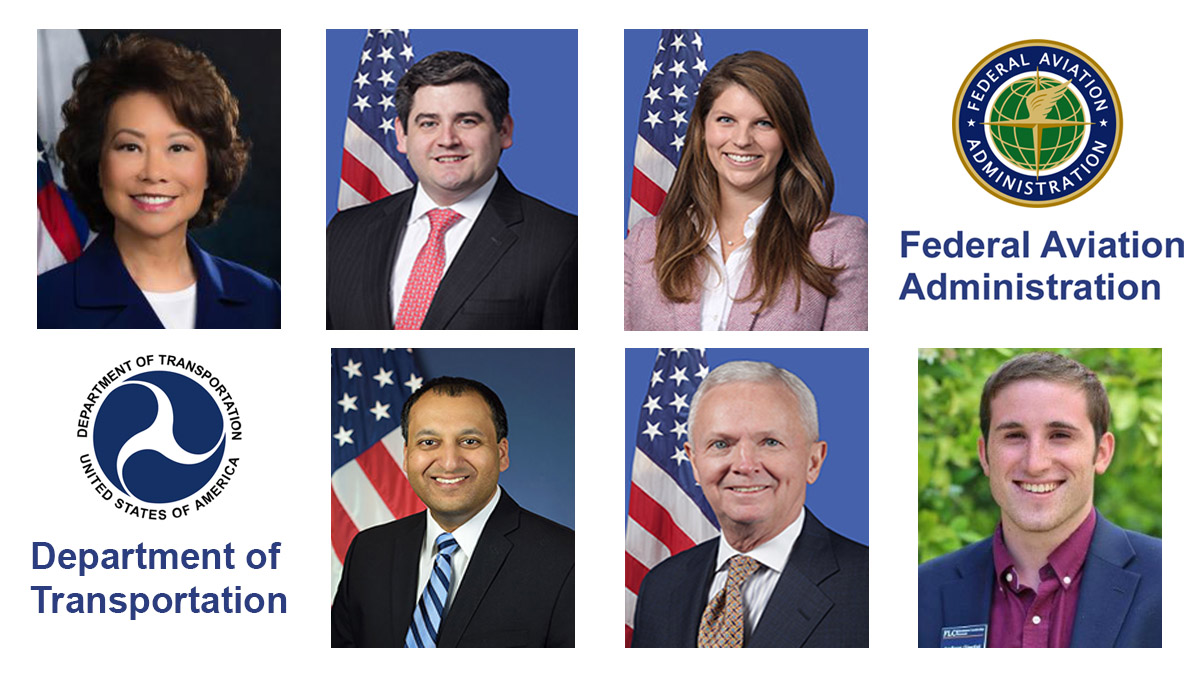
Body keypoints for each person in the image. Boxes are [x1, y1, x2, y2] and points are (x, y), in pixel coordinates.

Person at [918, 352, 1161, 648]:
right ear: (984, 455)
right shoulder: (920, 593)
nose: (1035, 463)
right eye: (1015, 436)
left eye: (1059, 435)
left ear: (1101, 453)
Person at [38, 34, 280, 329]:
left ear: (209, 167)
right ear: (98, 164)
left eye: (178, 148)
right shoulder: (41, 308)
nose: (153, 172)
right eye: (130, 147)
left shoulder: (269, 303)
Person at [326, 51, 578, 330]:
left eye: (466, 121)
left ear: (504, 130)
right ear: (402, 135)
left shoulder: (565, 241)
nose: (447, 140)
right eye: (429, 123)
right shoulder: (343, 233)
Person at [625, 51, 866, 331]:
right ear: (702, 130)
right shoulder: (646, 240)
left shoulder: (839, 243)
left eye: (764, 123)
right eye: (726, 120)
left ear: (789, 135)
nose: (741, 140)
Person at [631, 361, 867, 647]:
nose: (745, 465)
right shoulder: (661, 586)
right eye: (721, 444)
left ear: (813, 461)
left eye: (770, 442)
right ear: (694, 462)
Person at [331, 376, 574, 647]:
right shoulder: (368, 551)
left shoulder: (568, 560)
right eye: (429, 442)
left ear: (502, 454)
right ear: (406, 455)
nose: (449, 463)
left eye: (469, 441)